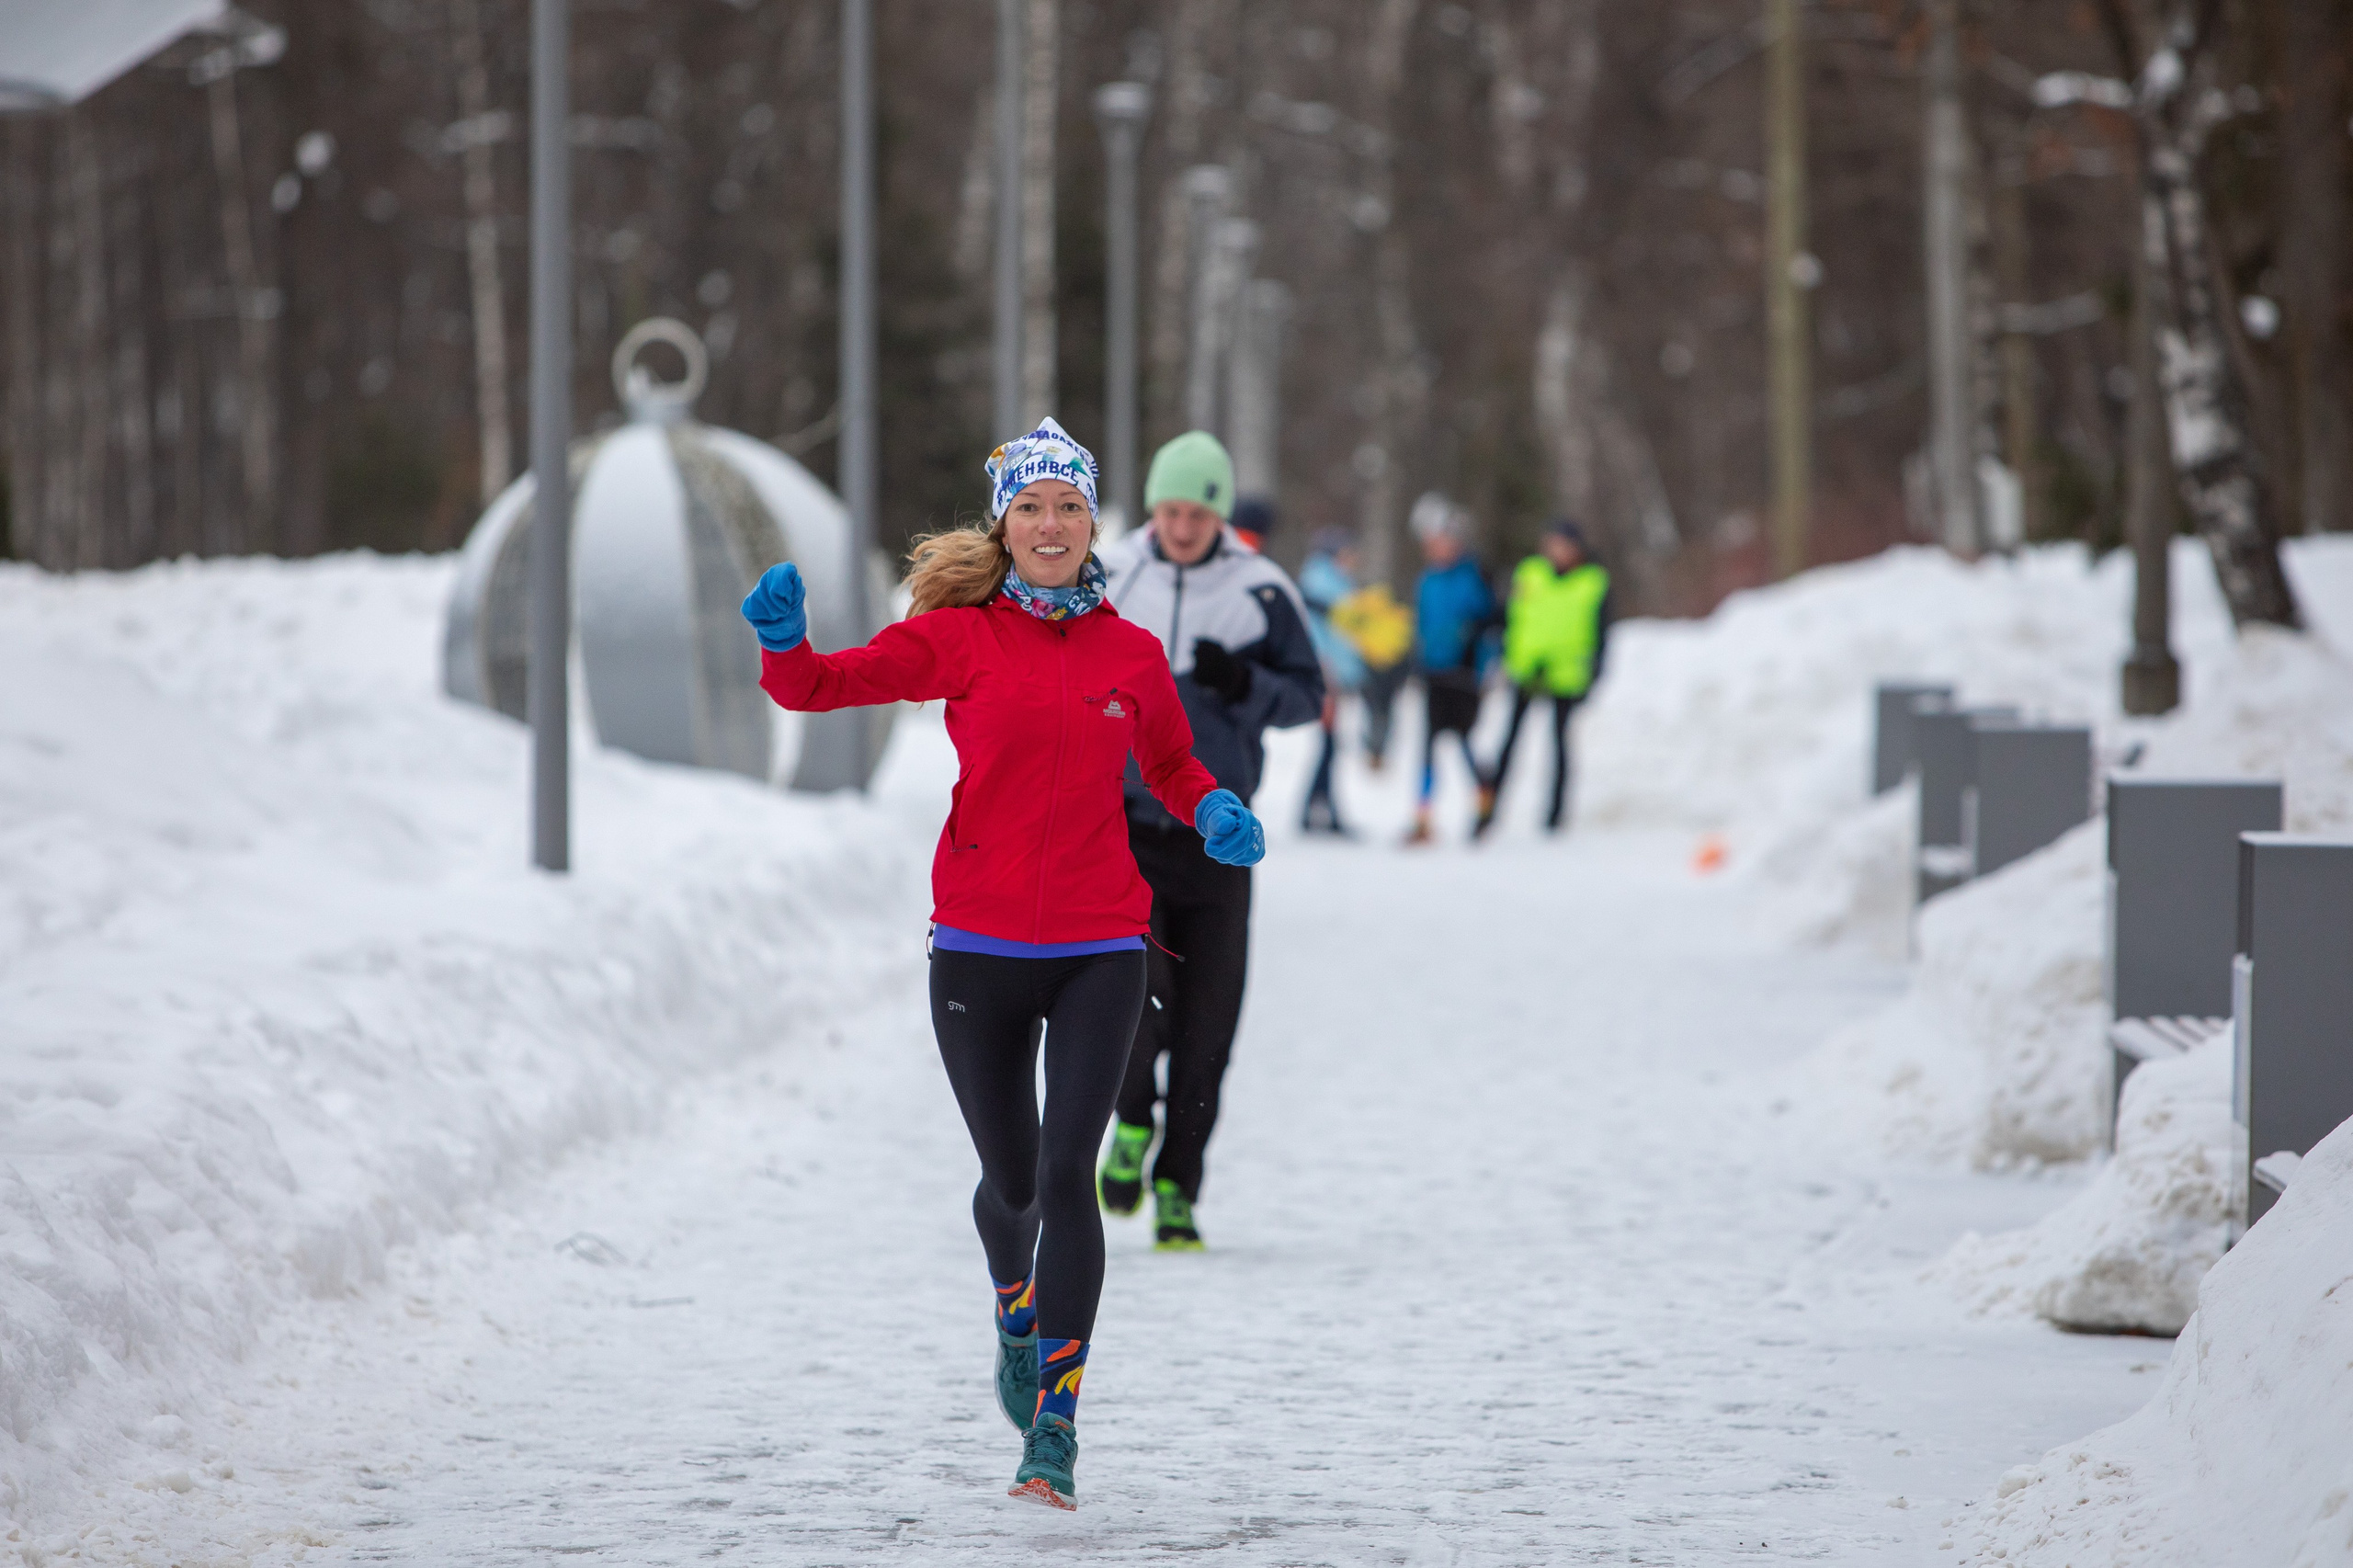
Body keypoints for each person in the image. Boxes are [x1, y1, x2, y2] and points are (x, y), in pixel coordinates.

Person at [739, 417, 1267, 1512]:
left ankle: (1055, 1426)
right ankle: (1012, 1303)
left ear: (1092, 523)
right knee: (1014, 1183)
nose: (1051, 523)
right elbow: (819, 688)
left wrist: (1211, 805)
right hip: (977, 947)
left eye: (1069, 506)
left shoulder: (1130, 654)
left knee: (1068, 1175)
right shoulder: (961, 638)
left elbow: (1170, 761)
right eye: (1031, 506)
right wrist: (785, 644)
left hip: (1100, 945)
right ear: (1005, 522)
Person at [1095, 431, 1324, 1251]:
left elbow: (1308, 696)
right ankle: (1131, 1121)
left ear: (1220, 514)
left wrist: (1245, 683)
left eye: (1198, 513)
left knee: (1207, 1029)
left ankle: (1178, 1189)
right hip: (1125, 830)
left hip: (1220, 840)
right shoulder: (1110, 573)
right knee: (1128, 1002)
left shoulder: (1261, 590)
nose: (1183, 528)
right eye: (1170, 511)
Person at [1478, 517, 1613, 837]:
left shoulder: (1592, 581)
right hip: (1527, 668)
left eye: (1563, 545)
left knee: (1559, 746)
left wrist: (1595, 672)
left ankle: (1555, 817)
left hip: (1567, 674)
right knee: (1509, 743)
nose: (1557, 551)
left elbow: (1601, 631)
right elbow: (1510, 615)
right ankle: (1488, 812)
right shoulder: (1530, 573)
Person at [1405, 493, 1500, 846]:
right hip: (1434, 672)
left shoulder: (1475, 575)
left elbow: (1491, 623)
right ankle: (1422, 819)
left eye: (1439, 541)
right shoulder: (1427, 580)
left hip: (1464, 676)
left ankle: (1485, 806)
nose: (1433, 549)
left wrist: (1481, 664)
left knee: (1465, 742)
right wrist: (1417, 661)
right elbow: (1422, 624)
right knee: (1427, 747)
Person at [1296, 528, 1366, 835]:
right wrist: (1324, 670)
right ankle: (1318, 810)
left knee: (1330, 744)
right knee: (1329, 744)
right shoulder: (1321, 582)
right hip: (1327, 677)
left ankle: (1317, 808)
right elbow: (1315, 631)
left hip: (1332, 675)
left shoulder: (1332, 582)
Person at [1326, 540, 1414, 770]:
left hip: (1375, 665)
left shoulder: (1366, 605)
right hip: (1388, 666)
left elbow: (1341, 620)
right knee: (1383, 711)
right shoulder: (1397, 609)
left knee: (1375, 711)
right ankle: (1377, 750)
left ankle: (1375, 749)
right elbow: (1406, 639)